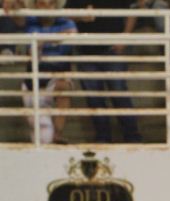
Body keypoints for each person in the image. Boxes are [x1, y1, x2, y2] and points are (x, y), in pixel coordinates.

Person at [69, 0, 143, 143]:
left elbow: (134, 9)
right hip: (85, 50)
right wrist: (80, 16)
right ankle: (103, 137)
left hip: (111, 48)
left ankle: (132, 136)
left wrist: (124, 38)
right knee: (94, 97)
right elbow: (66, 14)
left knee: (118, 93)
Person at [5, 0, 77, 144]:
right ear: (36, 6)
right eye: (41, 3)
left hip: (55, 77)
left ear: (55, 6)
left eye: (50, 3)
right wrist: (12, 2)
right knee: (43, 134)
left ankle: (58, 133)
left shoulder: (66, 22)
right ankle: (46, 143)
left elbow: (72, 34)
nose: (46, 7)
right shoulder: (30, 20)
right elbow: (14, 11)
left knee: (64, 86)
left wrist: (42, 41)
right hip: (33, 83)